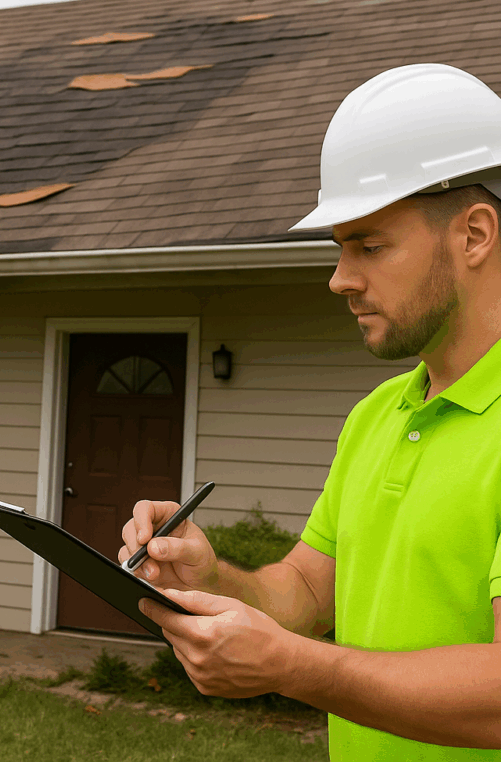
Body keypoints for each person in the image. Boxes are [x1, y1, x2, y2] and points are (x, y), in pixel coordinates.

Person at [119, 64, 501, 760]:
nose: (340, 279)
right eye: (339, 248)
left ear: (474, 235)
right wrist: (210, 578)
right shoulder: (378, 414)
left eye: (370, 246)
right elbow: (305, 594)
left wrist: (292, 668)